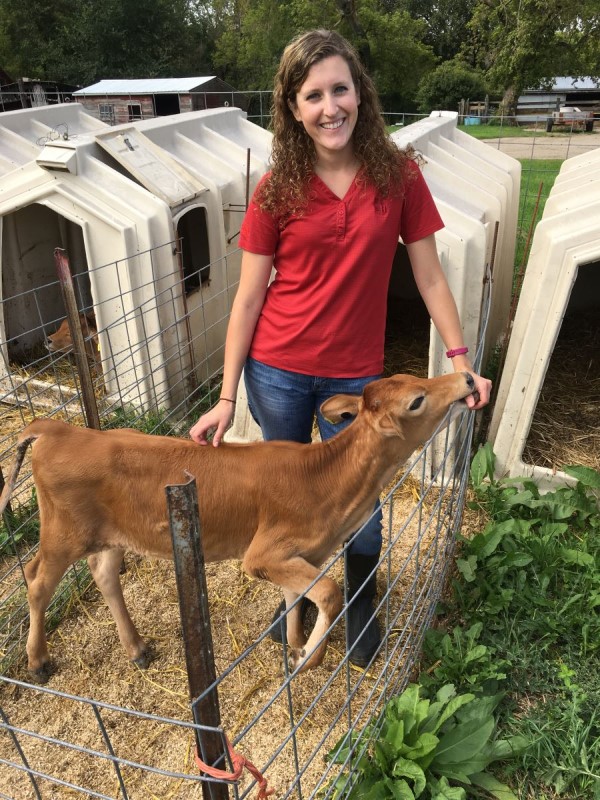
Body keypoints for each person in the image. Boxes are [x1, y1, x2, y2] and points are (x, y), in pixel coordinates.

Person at [190, 29, 492, 667]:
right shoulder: (277, 188)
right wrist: (223, 397)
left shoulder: (398, 175)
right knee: (291, 498)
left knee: (362, 496)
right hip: (276, 370)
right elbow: (248, 298)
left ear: (360, 93)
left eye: (340, 89)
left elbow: (430, 275)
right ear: (293, 109)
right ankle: (297, 600)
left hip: (354, 378)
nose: (331, 107)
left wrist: (460, 361)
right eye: (313, 95)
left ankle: (360, 603)